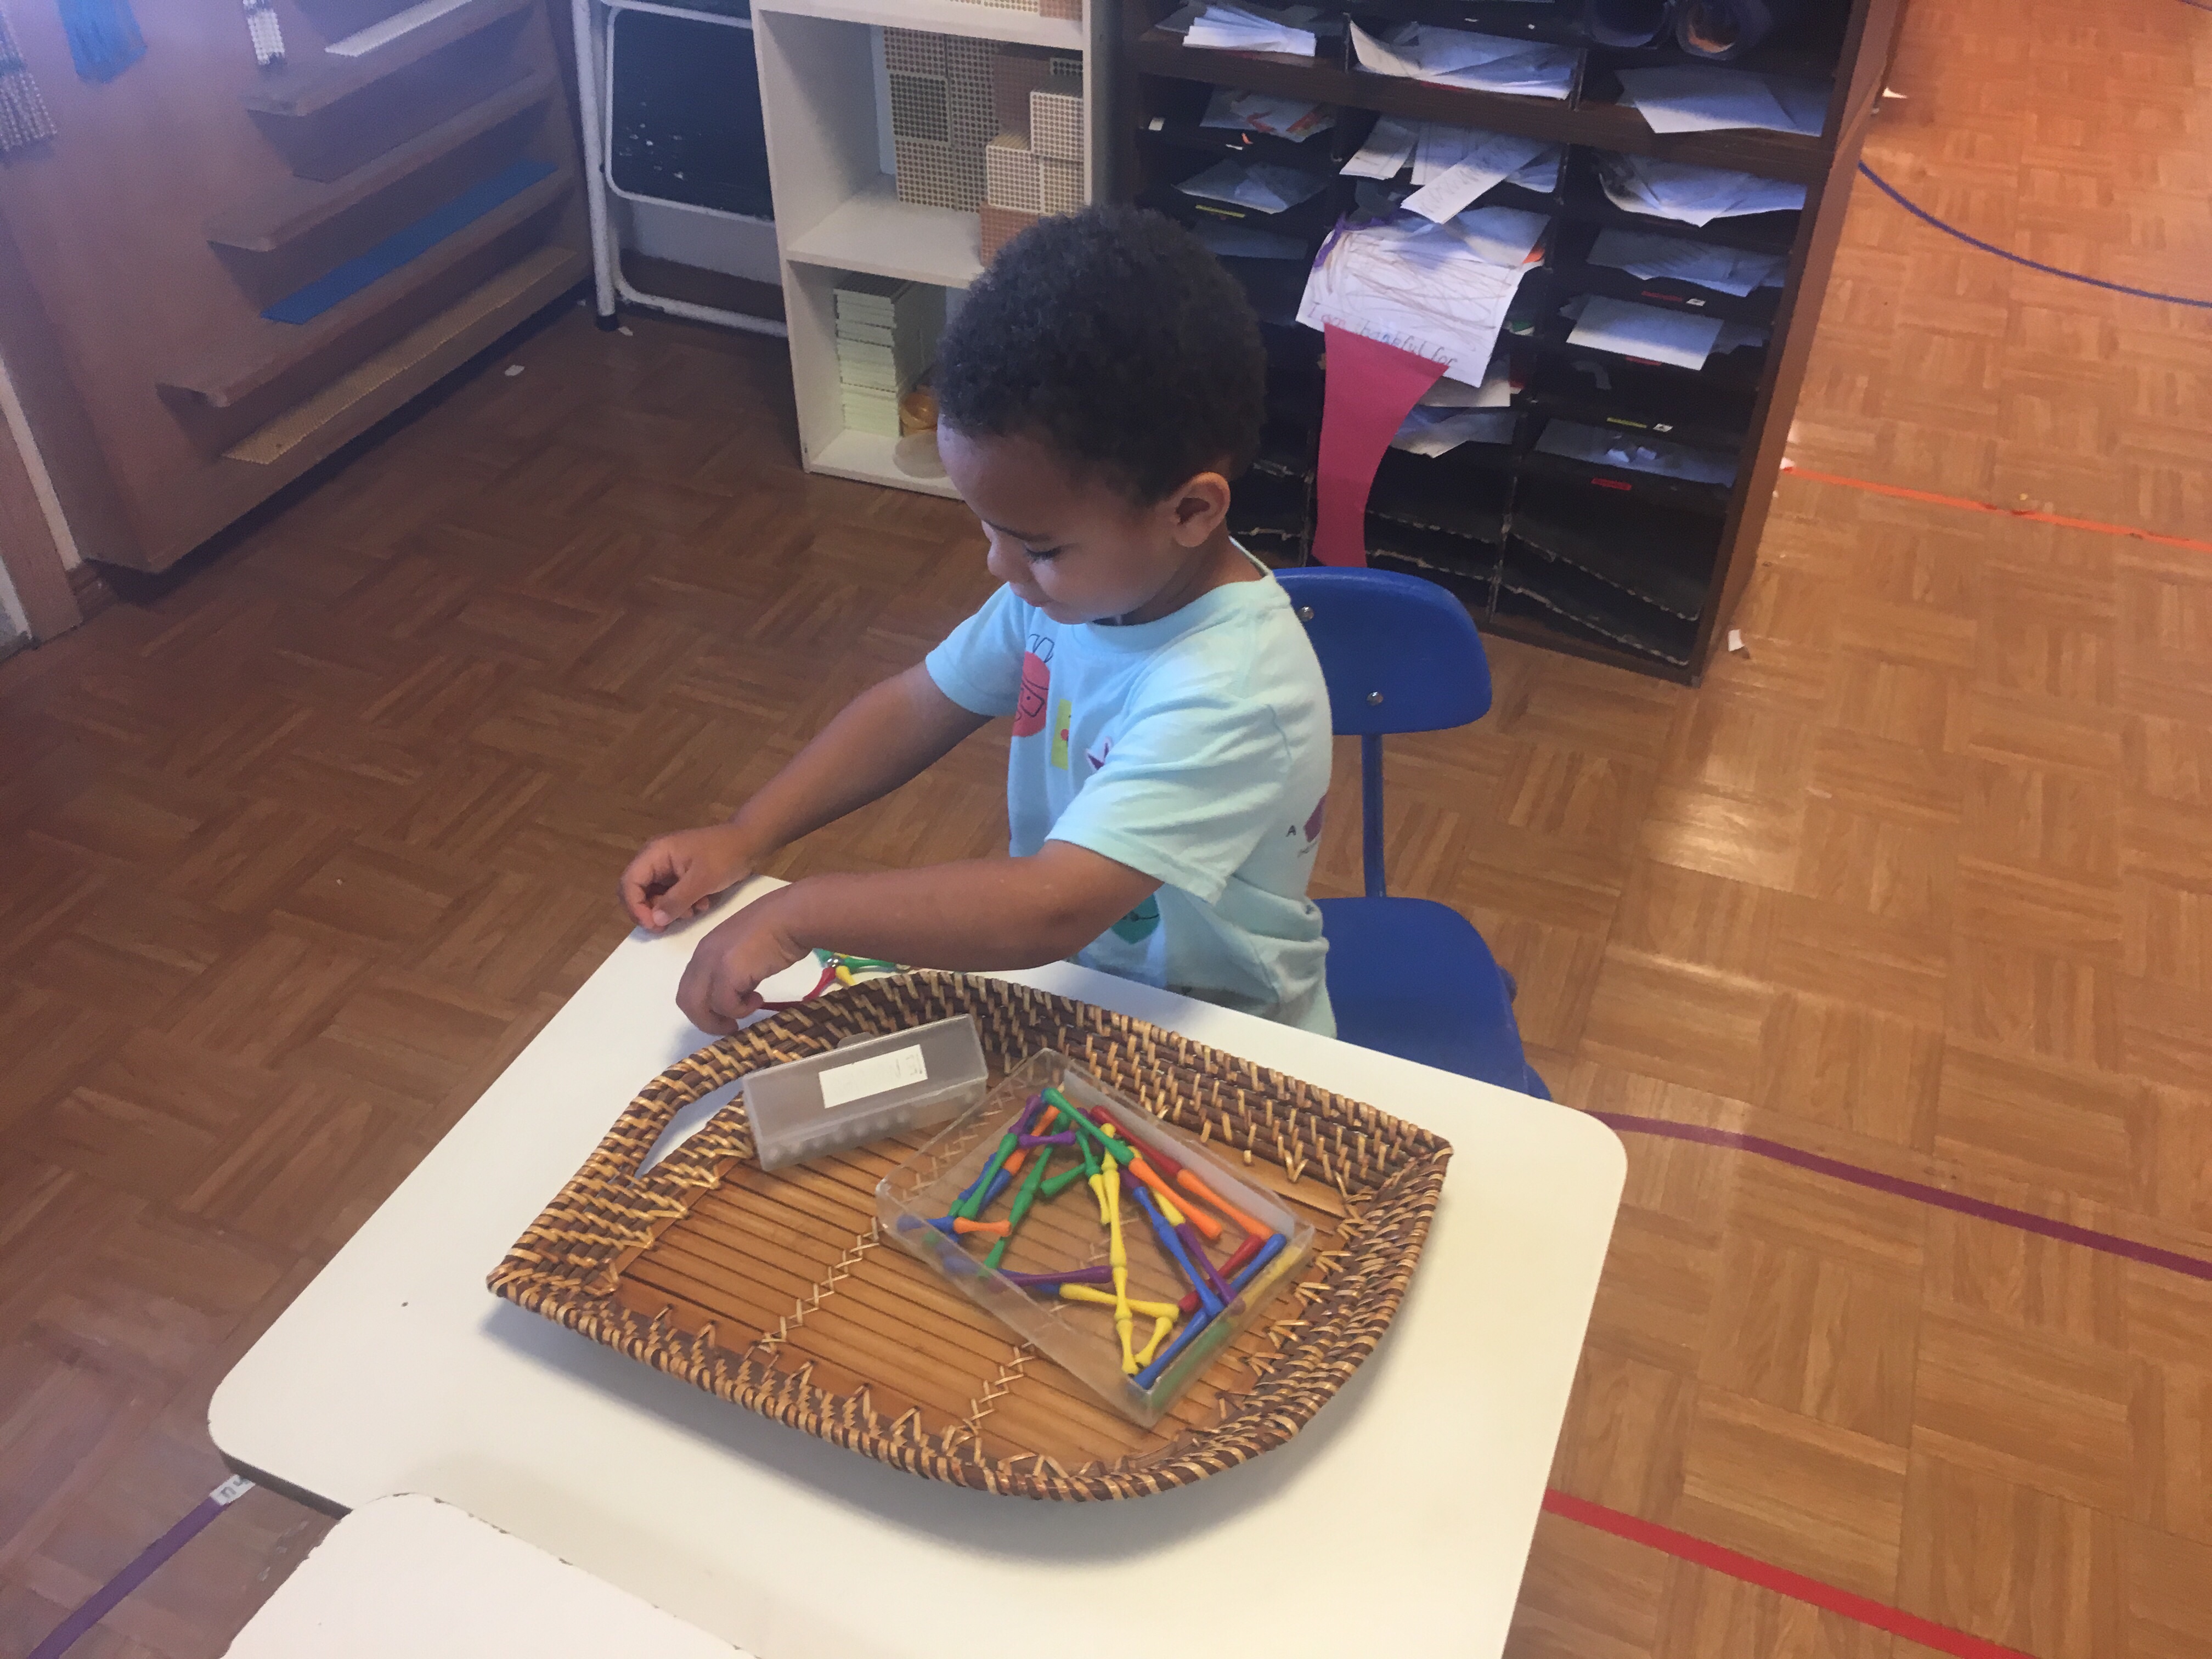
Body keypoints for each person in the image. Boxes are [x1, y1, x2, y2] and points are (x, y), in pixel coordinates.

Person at [619, 206, 1335, 1036]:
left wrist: (798, 914)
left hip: (1228, 1033)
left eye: (1038, 545)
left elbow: (1049, 909)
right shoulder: (1077, 591)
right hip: (1085, 994)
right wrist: (749, 832)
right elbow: (919, 704)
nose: (999, 566)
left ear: (1190, 511)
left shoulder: (1232, 690)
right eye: (989, 530)